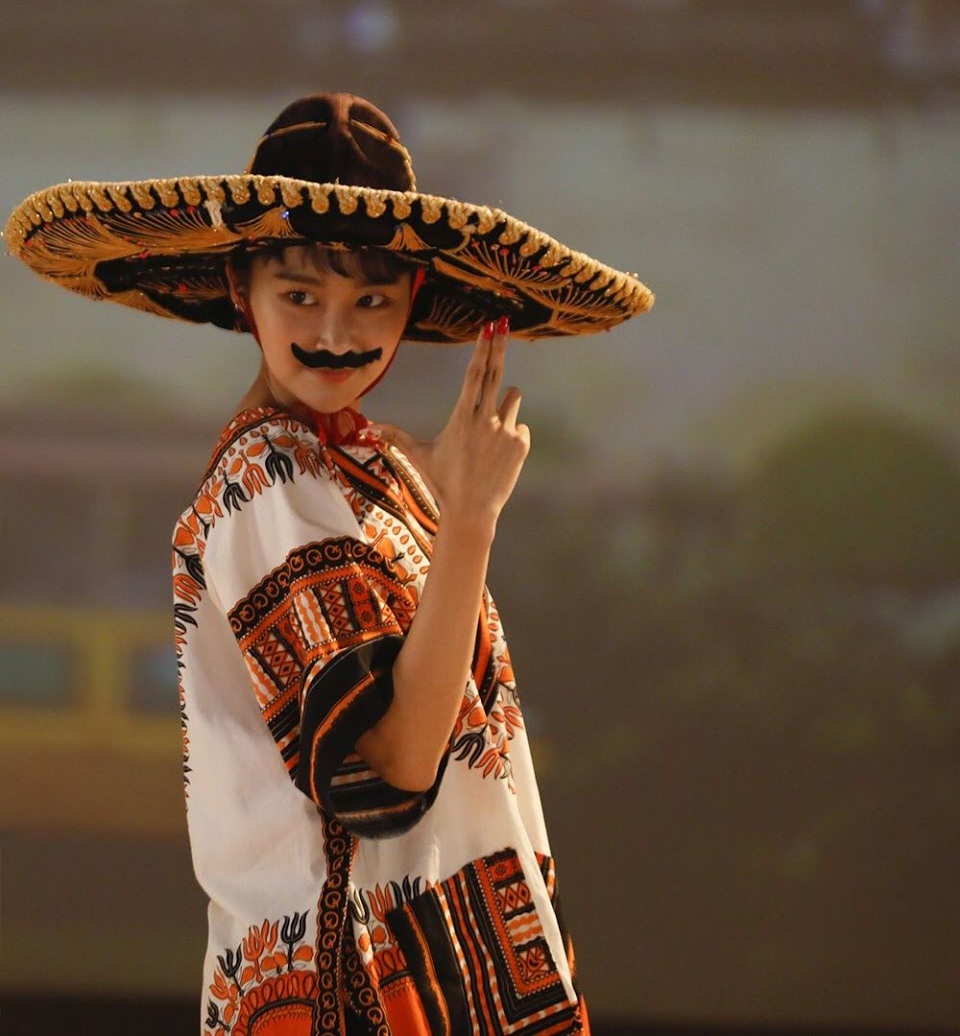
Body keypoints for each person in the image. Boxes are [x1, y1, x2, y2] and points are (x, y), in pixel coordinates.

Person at [4, 91, 654, 1035]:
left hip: (418, 973)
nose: (335, 332)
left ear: (412, 303)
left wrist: (442, 510)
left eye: (372, 300)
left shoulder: (353, 467)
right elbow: (385, 773)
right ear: (243, 291)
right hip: (354, 988)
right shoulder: (270, 480)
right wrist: (470, 523)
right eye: (300, 294)